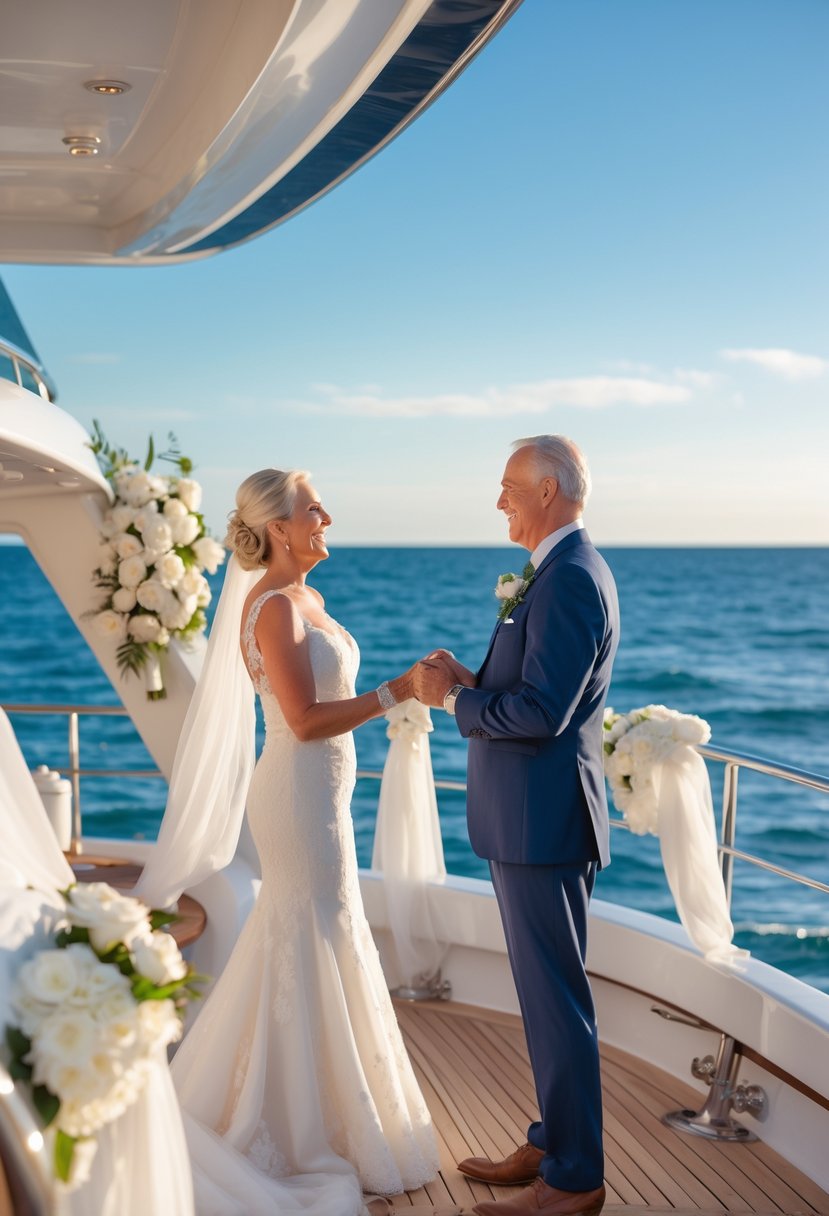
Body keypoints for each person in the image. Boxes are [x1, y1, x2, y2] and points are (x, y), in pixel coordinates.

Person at [135, 468, 439, 1216]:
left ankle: (329, 1104)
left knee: (321, 930)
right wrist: (398, 691)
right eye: (312, 508)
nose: (326, 515)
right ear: (278, 527)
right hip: (297, 794)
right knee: (311, 927)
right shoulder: (272, 606)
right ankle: (293, 1123)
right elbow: (302, 721)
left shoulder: (309, 599)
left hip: (324, 793)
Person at [415, 435, 619, 1216]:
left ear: (546, 491)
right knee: (541, 999)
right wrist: (472, 679)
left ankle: (573, 1180)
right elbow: (530, 688)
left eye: (507, 487)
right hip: (528, 822)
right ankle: (551, 1140)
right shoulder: (557, 571)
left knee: (556, 1000)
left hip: (544, 824)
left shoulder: (568, 578)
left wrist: (451, 703)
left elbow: (541, 715)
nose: (497, 501)